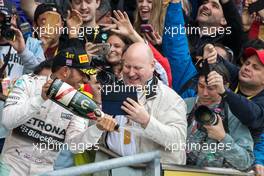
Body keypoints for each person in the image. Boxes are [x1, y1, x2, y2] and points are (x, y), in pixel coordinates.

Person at [0, 47, 117, 175]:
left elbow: (75, 146)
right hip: (12, 166)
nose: (86, 80)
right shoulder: (28, 82)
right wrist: (41, 98)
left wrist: (97, 129)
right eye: (82, 74)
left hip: (44, 170)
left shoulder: (79, 101)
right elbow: (7, 121)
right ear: (65, 71)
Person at [105, 42, 187, 164]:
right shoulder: (114, 88)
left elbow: (178, 142)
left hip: (148, 171)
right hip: (111, 167)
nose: (131, 73)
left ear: (152, 65)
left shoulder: (170, 99)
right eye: (127, 66)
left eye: (137, 68)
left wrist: (147, 121)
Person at [205, 40, 264, 175]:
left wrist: (225, 92)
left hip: (240, 164)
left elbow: (250, 115)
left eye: (256, 67)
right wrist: (209, 49)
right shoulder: (237, 75)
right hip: (209, 153)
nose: (247, 68)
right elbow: (220, 61)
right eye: (247, 63)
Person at [184, 61, 254, 171]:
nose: (204, 93)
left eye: (211, 88)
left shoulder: (233, 114)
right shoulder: (183, 105)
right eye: (201, 86)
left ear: (224, 86)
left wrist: (222, 138)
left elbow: (246, 162)